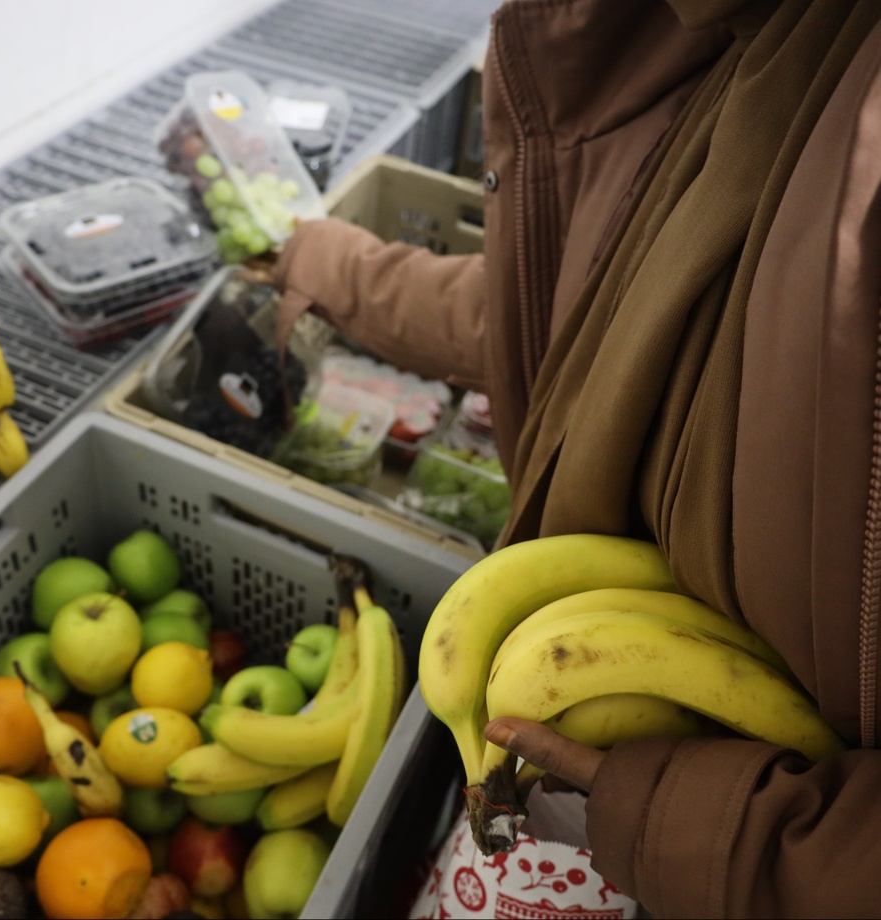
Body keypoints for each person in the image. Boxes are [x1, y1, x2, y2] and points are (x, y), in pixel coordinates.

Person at [267, 0, 881, 915]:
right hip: (588, 788)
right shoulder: (708, 43)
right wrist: (333, 269)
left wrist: (709, 831)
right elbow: (580, 318)